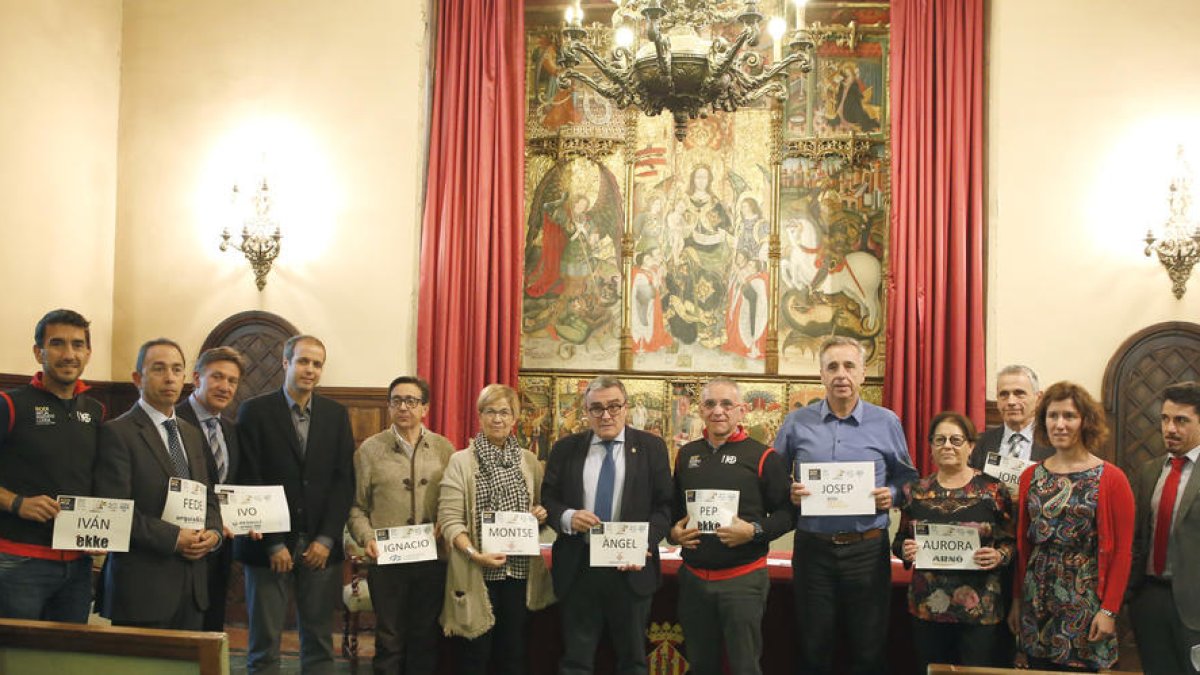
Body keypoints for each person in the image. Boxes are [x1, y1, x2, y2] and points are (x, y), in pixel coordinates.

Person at [774, 335, 918, 674]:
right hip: (814, 550)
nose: (842, 374)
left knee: (868, 649)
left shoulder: (886, 421)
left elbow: (909, 479)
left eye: (849, 366)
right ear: (821, 375)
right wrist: (788, 491)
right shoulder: (797, 422)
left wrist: (892, 496)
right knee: (813, 646)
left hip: (866, 551)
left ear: (863, 373)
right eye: (833, 367)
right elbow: (773, 477)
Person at [237, 334, 355, 675]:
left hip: (319, 544)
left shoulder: (335, 414)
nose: (310, 369)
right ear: (286, 363)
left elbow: (342, 482)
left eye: (317, 364)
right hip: (268, 548)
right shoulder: (255, 411)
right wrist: (274, 542)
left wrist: (327, 539)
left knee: (318, 641)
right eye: (303, 361)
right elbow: (249, 478)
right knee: (264, 642)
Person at [542, 375, 673, 675]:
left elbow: (665, 506)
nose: (606, 415)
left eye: (614, 406)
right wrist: (567, 517)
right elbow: (548, 499)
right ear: (585, 411)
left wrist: (642, 543)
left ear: (626, 408)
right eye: (597, 408)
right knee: (576, 661)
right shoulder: (565, 448)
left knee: (633, 662)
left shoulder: (651, 447)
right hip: (579, 569)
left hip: (630, 570)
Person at [94, 338, 223, 629]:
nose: (169, 377)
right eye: (159, 369)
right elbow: (114, 512)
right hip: (142, 588)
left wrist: (214, 533)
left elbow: (208, 496)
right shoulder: (118, 433)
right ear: (137, 378)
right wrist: (174, 537)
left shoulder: (191, 433)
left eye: (177, 369)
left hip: (192, 587)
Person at [669, 378, 793, 675]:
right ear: (700, 410)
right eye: (710, 404)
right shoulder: (687, 455)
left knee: (744, 665)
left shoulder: (764, 457)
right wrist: (673, 533)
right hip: (694, 579)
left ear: (742, 411)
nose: (718, 411)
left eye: (727, 404)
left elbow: (789, 513)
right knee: (700, 665)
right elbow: (673, 511)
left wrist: (754, 531)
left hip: (743, 580)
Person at [1008, 381, 1134, 672]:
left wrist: (1109, 609)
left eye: (1069, 416)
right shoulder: (1030, 476)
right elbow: (1022, 544)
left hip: (1086, 600)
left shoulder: (1111, 478)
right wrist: (1017, 598)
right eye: (1053, 416)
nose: (1060, 424)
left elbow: (1123, 552)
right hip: (1035, 597)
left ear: (1085, 422)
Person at [438, 384, 554, 674]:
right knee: (476, 655)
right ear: (480, 416)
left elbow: (540, 510)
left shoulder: (529, 462)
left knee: (513, 652)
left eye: (505, 412)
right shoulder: (461, 461)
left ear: (515, 418)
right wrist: (475, 554)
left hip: (519, 573)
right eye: (490, 411)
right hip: (476, 570)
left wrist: (539, 514)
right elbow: (451, 520)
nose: (498, 419)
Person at [0, 309, 105, 622]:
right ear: (38, 352)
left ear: (88, 353)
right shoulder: (9, 404)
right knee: (16, 663)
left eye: (77, 345)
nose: (69, 354)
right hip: (17, 563)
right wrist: (16, 503)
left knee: (64, 661)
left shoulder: (96, 411)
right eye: (58, 344)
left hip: (78, 566)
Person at [346, 375, 455, 675]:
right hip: (387, 560)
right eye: (396, 400)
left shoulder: (444, 449)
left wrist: (444, 524)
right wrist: (367, 537)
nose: (403, 407)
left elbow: (455, 500)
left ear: (425, 408)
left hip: (432, 558)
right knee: (389, 638)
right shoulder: (369, 450)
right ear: (389, 406)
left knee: (425, 637)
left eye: (411, 401)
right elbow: (356, 507)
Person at [893, 411, 1015, 671]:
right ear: (931, 447)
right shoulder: (915, 492)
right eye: (940, 440)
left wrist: (999, 556)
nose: (947, 445)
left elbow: (1012, 542)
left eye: (956, 440)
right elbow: (900, 540)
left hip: (980, 608)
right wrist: (905, 549)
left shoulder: (993, 490)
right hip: (929, 607)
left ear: (971, 446)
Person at [1127, 381, 1200, 674]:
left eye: (1181, 420)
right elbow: (1138, 539)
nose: (1170, 428)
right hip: (1149, 601)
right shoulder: (1149, 470)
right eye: (1165, 419)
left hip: (1195, 607)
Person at [176, 346, 245, 631]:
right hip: (182, 547)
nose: (225, 387)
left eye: (232, 381)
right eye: (217, 377)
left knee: (212, 626)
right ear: (196, 378)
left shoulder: (230, 429)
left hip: (220, 548)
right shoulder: (172, 422)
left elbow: (231, 487)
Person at [968, 365, 1054, 469]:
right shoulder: (981, 442)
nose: (1011, 402)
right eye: (1004, 394)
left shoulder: (1053, 442)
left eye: (1019, 394)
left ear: (1038, 398)